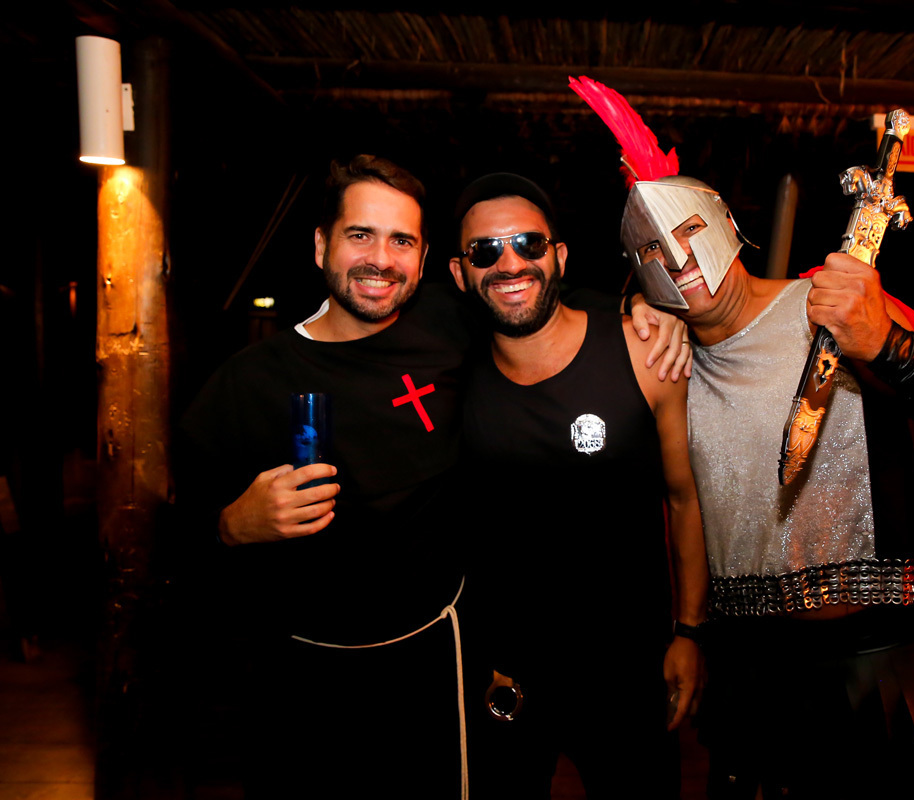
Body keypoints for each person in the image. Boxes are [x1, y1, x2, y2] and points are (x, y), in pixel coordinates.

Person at [572, 76, 914, 799]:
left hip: (882, 668)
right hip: (748, 682)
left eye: (690, 231)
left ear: (726, 220)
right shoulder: (662, 361)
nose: (679, 260)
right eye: (652, 254)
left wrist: (883, 344)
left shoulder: (835, 308)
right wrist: (634, 306)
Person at [177, 155, 691, 799]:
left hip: (437, 664)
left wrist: (642, 307)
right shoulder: (248, 381)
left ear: (424, 263)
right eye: (360, 235)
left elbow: (533, 299)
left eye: (401, 241)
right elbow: (170, 545)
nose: (381, 259)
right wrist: (231, 525)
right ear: (321, 245)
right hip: (305, 674)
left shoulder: (447, 326)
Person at [448, 173, 709, 799]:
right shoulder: (450, 375)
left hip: (629, 670)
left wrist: (689, 632)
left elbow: (685, 500)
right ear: (460, 273)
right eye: (486, 251)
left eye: (529, 244)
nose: (510, 263)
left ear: (559, 257)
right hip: (504, 675)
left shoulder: (644, 352)